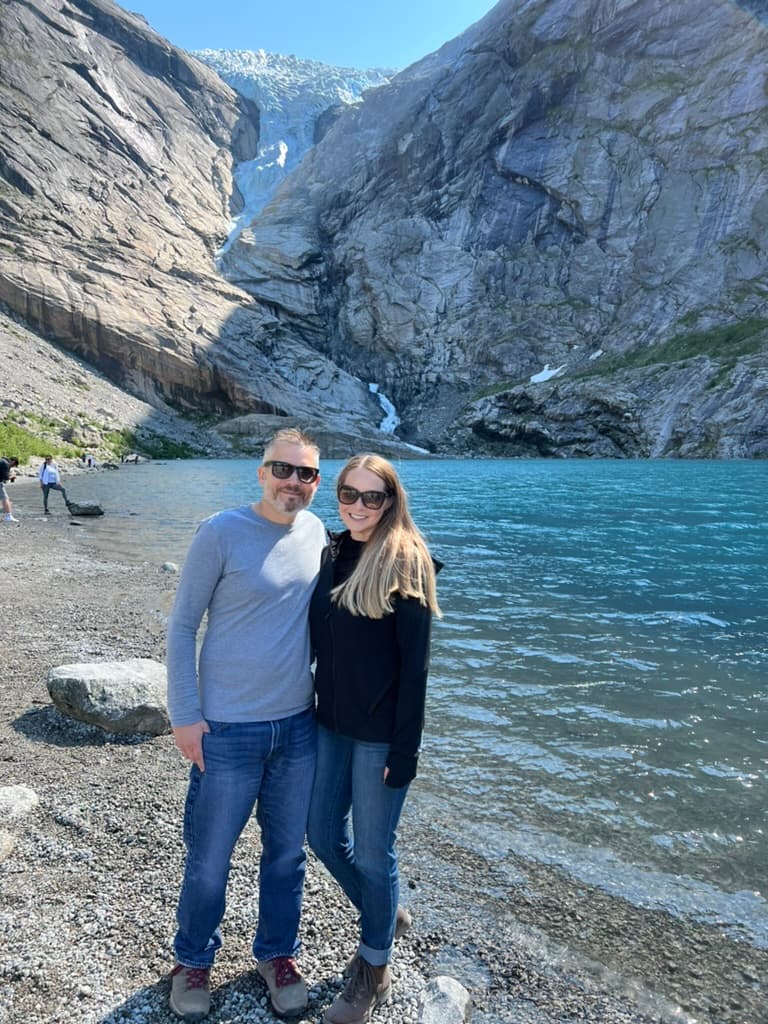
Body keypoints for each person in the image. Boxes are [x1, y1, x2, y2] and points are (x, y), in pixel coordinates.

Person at [165, 427, 326, 1021]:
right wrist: (185, 716)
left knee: (286, 856)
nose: (293, 481)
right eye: (282, 469)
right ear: (261, 473)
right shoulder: (220, 532)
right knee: (210, 858)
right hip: (227, 730)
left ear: (317, 482)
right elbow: (182, 626)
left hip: (298, 728)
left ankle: (277, 955)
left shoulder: (316, 533)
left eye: (306, 473)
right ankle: (193, 960)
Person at [308, 454, 442, 1024]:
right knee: (320, 834)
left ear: (390, 501)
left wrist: (405, 751)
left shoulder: (407, 561)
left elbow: (416, 670)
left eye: (372, 497)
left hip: (380, 738)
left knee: (372, 851)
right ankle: (385, 916)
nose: (358, 506)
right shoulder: (331, 552)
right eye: (349, 494)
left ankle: (373, 969)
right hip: (330, 725)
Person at [0, 456, 19, 523]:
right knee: (5, 498)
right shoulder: (5, 463)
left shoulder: (2, 461)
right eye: (13, 465)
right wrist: (12, 476)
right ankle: (8, 516)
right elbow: (6, 478)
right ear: (13, 461)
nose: (11, 467)